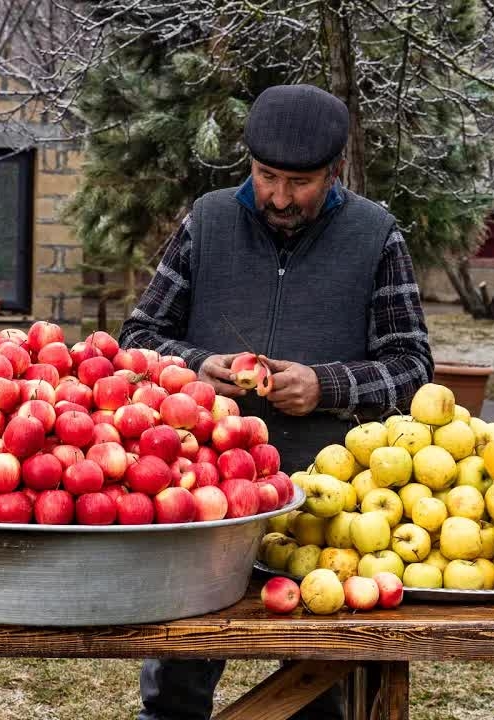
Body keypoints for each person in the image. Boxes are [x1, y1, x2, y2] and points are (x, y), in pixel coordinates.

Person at [119, 84, 434, 720]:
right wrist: (198, 366)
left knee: (317, 682)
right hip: (204, 489)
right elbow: (139, 339)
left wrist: (326, 385)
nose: (280, 197)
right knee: (178, 673)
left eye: (300, 182)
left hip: (326, 496)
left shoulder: (375, 235)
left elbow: (412, 368)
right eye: (266, 177)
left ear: (335, 171)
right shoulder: (207, 221)